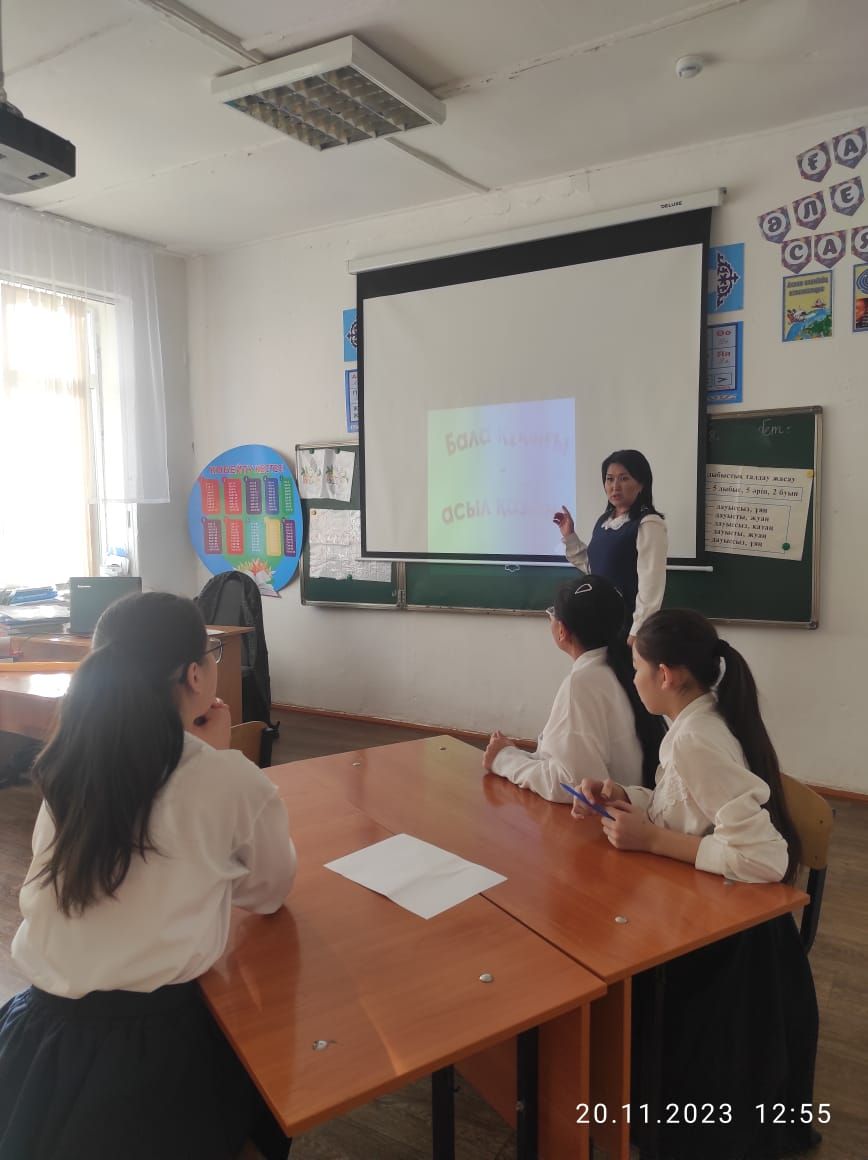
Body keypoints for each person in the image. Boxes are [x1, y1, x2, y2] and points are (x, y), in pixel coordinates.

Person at [0, 592, 297, 1160]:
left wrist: (202, 756)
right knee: (273, 1096)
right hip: (156, 1052)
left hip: (37, 1037)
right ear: (194, 675)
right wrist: (216, 759)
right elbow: (269, 892)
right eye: (211, 654)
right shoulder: (228, 781)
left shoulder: (69, 765)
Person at [573, 608, 819, 1160]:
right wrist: (622, 795)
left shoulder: (695, 739)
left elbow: (766, 858)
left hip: (733, 950)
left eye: (637, 668)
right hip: (712, 913)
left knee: (603, 943)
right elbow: (683, 807)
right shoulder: (693, 721)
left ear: (666, 674)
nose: (633, 678)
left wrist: (652, 841)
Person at [482, 576, 663, 800]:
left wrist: (504, 759)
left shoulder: (582, 683)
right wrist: (521, 756)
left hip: (601, 817)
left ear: (562, 631)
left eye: (552, 613)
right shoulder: (625, 667)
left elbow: (571, 785)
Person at [553, 449, 667, 643]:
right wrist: (570, 536)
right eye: (609, 479)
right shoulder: (604, 521)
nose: (615, 486)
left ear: (641, 483)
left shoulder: (648, 523)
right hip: (599, 622)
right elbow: (595, 568)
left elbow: (651, 584)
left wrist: (638, 630)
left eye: (624, 478)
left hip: (628, 627)